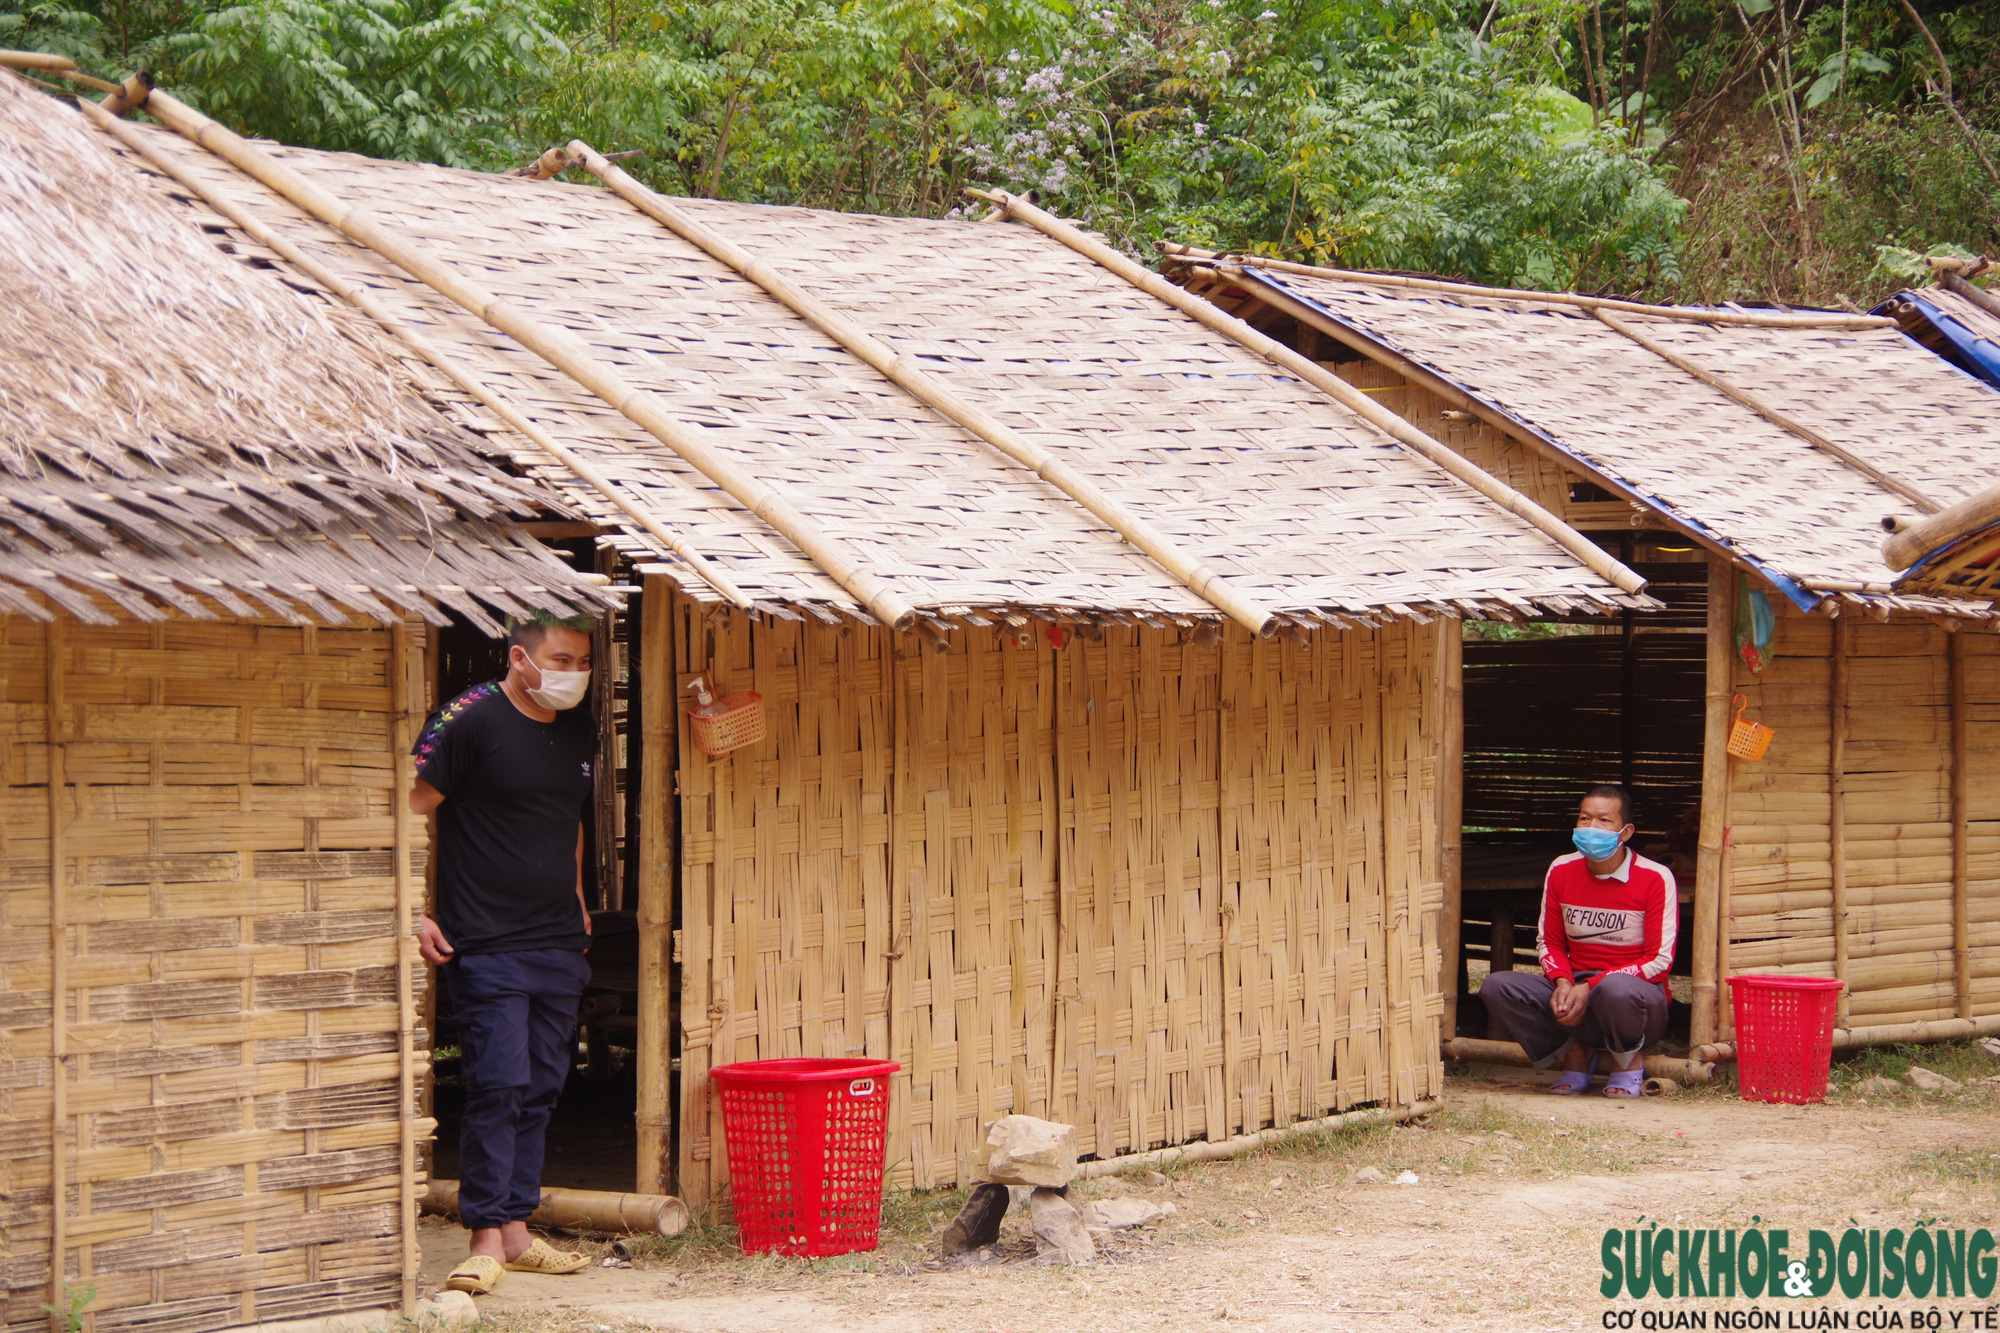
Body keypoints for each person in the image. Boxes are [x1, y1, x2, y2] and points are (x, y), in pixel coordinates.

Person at [412, 614, 599, 1295]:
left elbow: (569, 815)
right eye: (559, 658)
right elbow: (406, 807)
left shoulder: (578, 725)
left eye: (582, 661)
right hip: (485, 940)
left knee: (544, 1087)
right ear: (519, 656)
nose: (572, 672)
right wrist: (413, 908)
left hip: (557, 939)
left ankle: (517, 1230)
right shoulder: (465, 720)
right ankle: (484, 1235)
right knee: (498, 1083)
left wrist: (577, 897)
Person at [1480, 785, 1676, 1099]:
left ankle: (1627, 1061)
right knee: (1497, 986)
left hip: (1634, 1002)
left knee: (1616, 989)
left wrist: (1593, 985)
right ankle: (1575, 1055)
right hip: (1574, 996)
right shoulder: (1561, 869)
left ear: (1625, 832)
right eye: (1585, 819)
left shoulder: (1655, 877)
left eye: (1603, 821)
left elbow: (1660, 960)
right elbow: (1549, 941)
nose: (1591, 828)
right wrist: (1562, 982)